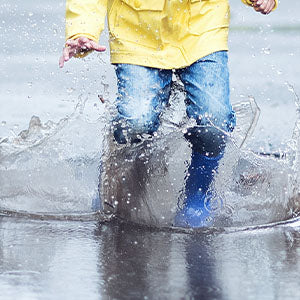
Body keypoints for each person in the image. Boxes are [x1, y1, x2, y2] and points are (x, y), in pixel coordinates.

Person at [59, 0, 277, 227]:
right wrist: (82, 30)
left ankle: (198, 193)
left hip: (202, 27)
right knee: (136, 121)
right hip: (137, 32)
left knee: (214, 120)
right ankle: (116, 179)